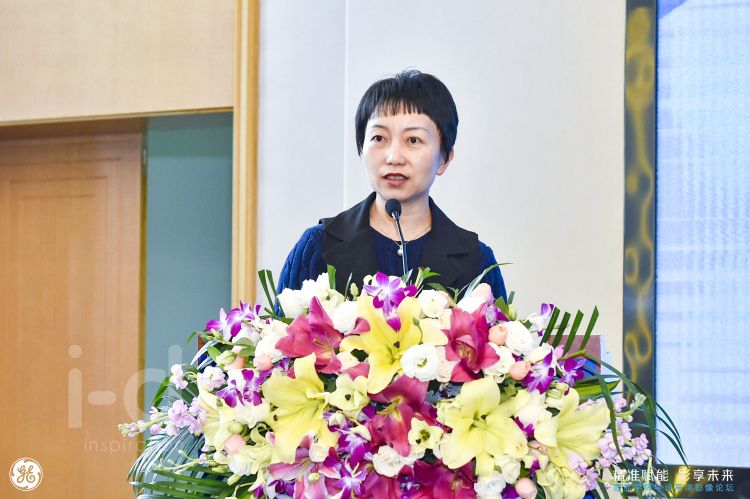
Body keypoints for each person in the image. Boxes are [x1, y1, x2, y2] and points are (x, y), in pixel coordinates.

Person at [276, 69, 506, 301]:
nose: (394, 157)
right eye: (379, 138)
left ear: (444, 159)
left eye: (413, 140)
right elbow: (284, 325)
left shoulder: (477, 262)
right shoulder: (318, 247)